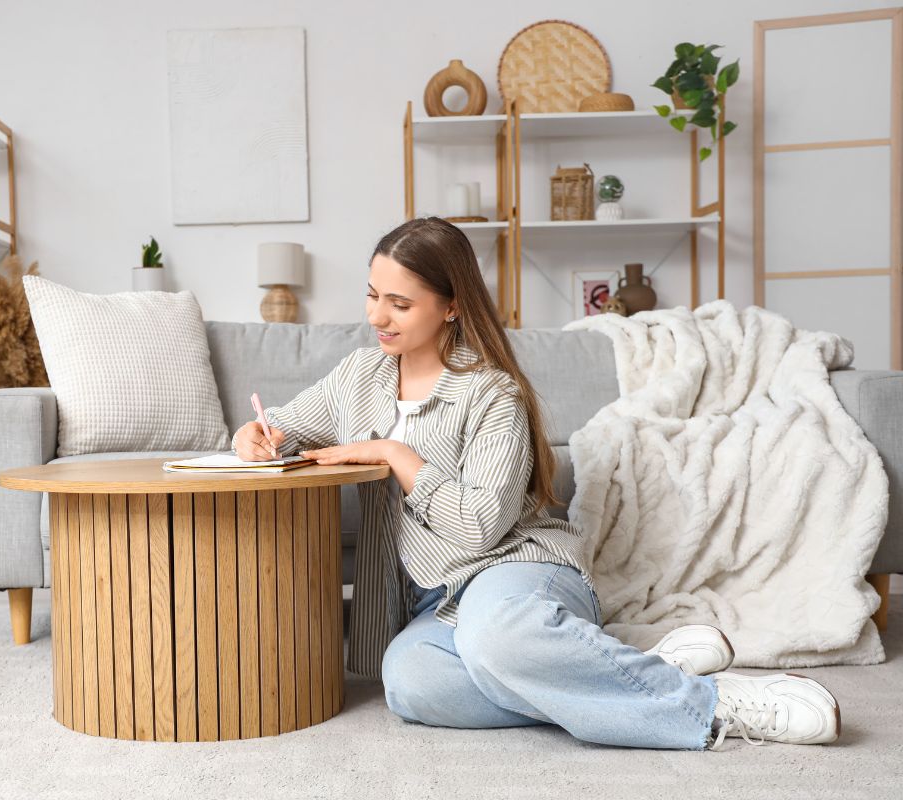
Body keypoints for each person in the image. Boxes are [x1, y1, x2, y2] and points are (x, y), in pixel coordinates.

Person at [233, 216, 841, 751]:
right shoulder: (359, 374)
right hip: (433, 602)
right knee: (413, 684)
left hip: (512, 565)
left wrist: (394, 453)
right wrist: (251, 437)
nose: (376, 316)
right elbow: (278, 426)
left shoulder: (493, 392)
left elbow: (480, 527)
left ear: (451, 306)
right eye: (372, 295)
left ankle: (709, 706)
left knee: (498, 636)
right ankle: (624, 673)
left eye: (399, 303)